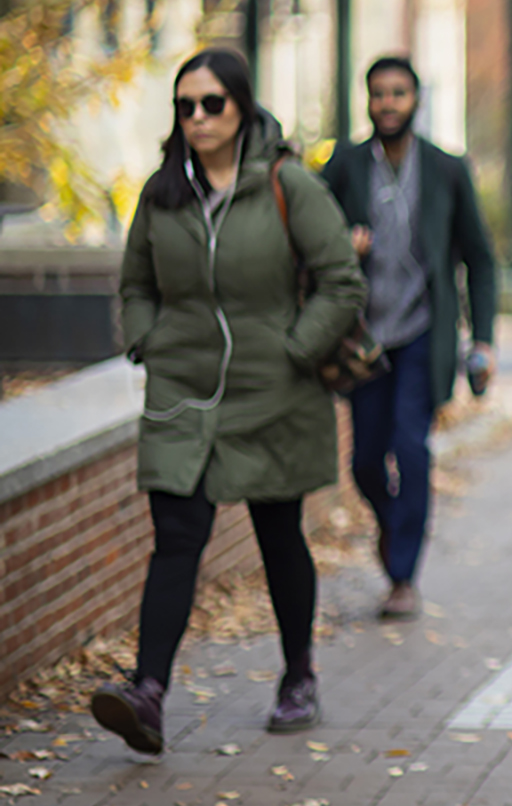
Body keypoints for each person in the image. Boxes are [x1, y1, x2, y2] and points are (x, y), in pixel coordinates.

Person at [92, 48, 365, 752]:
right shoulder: (163, 192)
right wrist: (150, 337)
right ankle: (148, 693)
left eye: (212, 103)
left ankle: (298, 674)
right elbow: (136, 282)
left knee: (278, 537)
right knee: (177, 538)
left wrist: (295, 348)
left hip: (272, 390)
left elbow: (342, 280)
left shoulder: (285, 183)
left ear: (242, 105)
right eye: (185, 106)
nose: (198, 118)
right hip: (182, 394)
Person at [320, 57, 500, 620]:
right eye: (378, 94)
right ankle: (391, 524)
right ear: (366, 101)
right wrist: (340, 246)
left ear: (416, 100)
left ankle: (402, 576)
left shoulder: (446, 168)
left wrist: (485, 339)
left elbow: (481, 258)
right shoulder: (346, 165)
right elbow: (307, 235)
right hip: (365, 337)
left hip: (424, 332)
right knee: (366, 462)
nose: (388, 104)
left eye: (398, 93)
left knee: (412, 449)